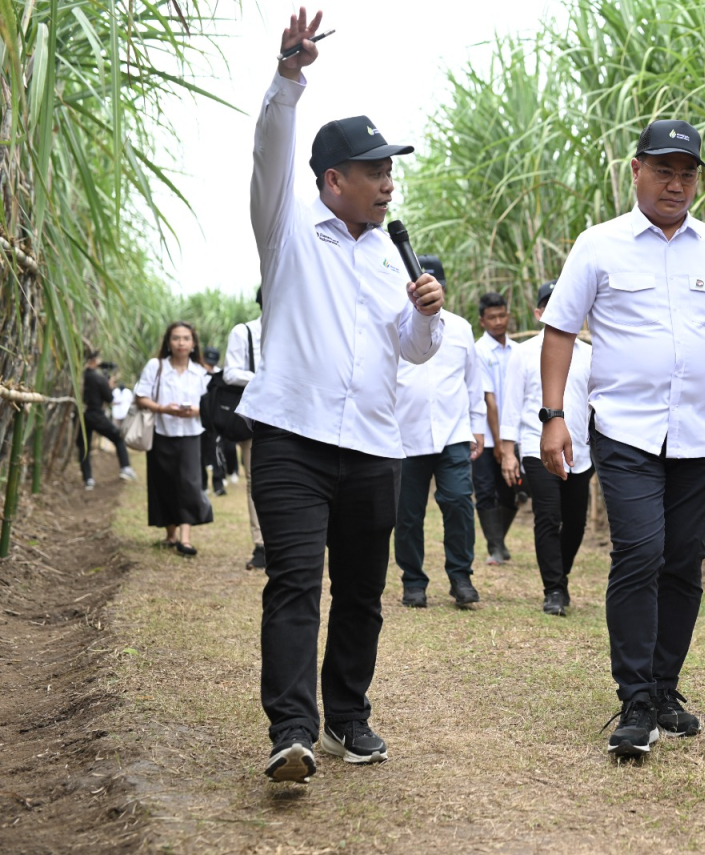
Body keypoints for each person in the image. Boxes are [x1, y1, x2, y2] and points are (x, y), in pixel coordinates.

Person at [239, 7, 445, 785]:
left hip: (371, 447)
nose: (388, 182)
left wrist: (426, 315)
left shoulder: (393, 256)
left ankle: (346, 716)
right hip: (291, 439)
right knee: (295, 581)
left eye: (391, 170)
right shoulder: (287, 229)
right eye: (374, 170)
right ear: (334, 179)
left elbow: (414, 350)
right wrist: (288, 78)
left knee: (361, 590)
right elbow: (269, 152)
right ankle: (292, 731)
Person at [540, 119, 705, 757]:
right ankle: (634, 700)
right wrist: (553, 415)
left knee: (682, 560)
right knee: (640, 552)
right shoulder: (599, 245)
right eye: (663, 171)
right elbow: (560, 330)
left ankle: (663, 686)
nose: (676, 184)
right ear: (636, 170)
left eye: (687, 173)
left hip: (702, 436)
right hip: (625, 431)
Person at [394, 254, 486, 609]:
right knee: (407, 514)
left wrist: (477, 427)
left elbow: (473, 382)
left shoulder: (460, 328)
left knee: (459, 502)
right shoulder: (396, 328)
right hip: (405, 436)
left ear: (442, 288)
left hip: (453, 434)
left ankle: (461, 577)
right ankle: (413, 582)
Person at [500, 281, 592, 617]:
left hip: (580, 451)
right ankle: (553, 589)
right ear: (539, 313)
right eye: (550, 305)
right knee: (548, 516)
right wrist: (507, 451)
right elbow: (511, 403)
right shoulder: (524, 353)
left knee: (576, 522)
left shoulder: (590, 353)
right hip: (535, 446)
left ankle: (560, 576)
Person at [134, 322, 213, 555]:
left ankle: (185, 540)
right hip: (161, 432)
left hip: (191, 435)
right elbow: (141, 397)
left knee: (189, 484)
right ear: (168, 342)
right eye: (176, 338)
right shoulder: (156, 366)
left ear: (193, 343)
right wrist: (163, 409)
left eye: (186, 338)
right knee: (164, 482)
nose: (181, 343)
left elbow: (209, 405)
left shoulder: (201, 372)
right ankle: (171, 535)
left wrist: (196, 411)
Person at [473, 292, 517, 564]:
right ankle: (495, 548)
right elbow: (490, 400)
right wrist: (499, 443)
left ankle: (499, 541)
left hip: (514, 434)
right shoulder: (478, 351)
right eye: (492, 317)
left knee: (512, 490)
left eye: (502, 315)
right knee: (486, 490)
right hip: (485, 437)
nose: (498, 321)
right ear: (482, 321)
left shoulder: (518, 351)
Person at [223, 290, 265, 570]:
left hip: (300, 415)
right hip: (256, 417)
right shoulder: (245, 332)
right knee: (254, 479)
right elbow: (230, 372)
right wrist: (267, 377)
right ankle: (261, 544)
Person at [78, 349, 136, 490]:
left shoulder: (83, 376)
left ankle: (88, 479)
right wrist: (109, 384)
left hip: (84, 415)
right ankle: (125, 467)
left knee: (84, 446)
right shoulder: (98, 378)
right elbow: (109, 398)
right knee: (118, 438)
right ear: (94, 360)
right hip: (96, 415)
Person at [199, 346, 227, 496]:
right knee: (199, 454)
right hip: (198, 420)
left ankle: (218, 484)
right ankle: (202, 485)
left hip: (215, 421)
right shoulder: (197, 374)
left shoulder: (220, 375)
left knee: (216, 451)